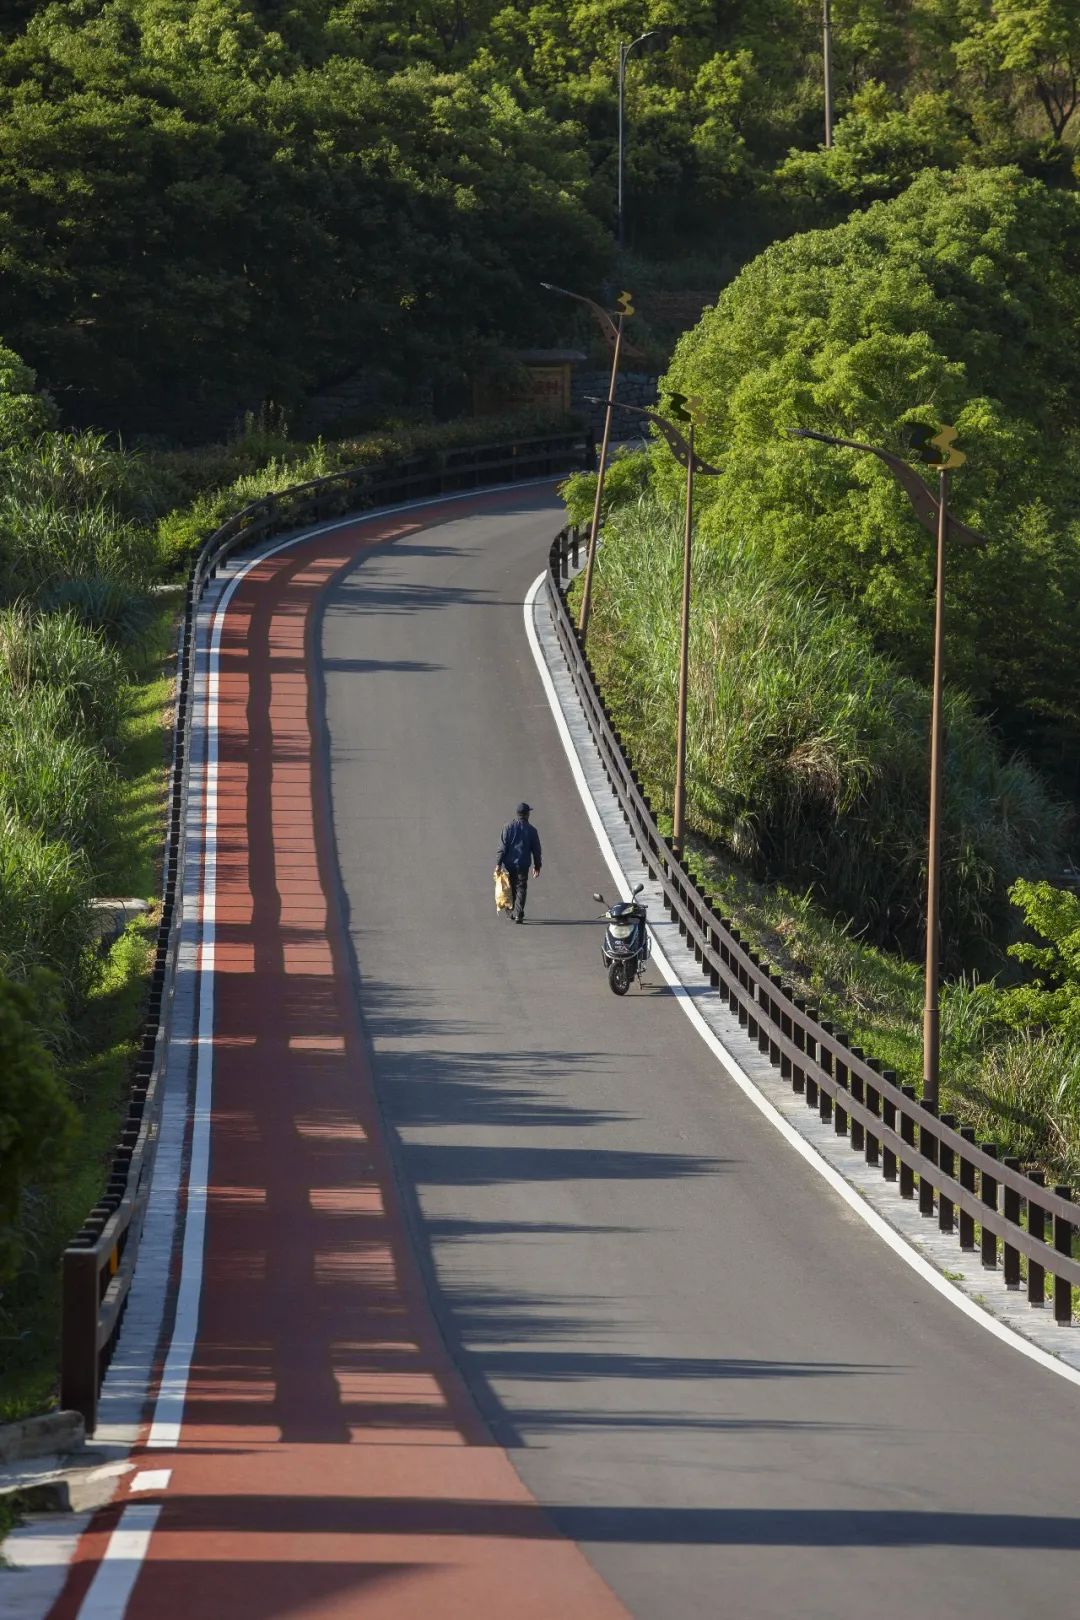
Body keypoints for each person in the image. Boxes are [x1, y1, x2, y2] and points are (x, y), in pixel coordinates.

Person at [496, 802, 542, 924]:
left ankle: (510, 911)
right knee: (521, 887)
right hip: (523, 864)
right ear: (527, 815)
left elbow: (502, 847)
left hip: (509, 864)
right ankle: (519, 914)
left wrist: (498, 864)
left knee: (510, 886)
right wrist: (537, 866)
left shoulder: (508, 827)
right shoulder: (532, 831)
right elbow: (536, 851)